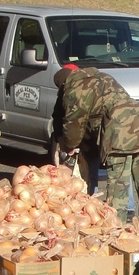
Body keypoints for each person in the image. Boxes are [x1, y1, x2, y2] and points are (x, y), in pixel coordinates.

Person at [61, 67, 139, 231]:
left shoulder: (77, 88)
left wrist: (70, 145)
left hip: (120, 129)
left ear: (63, 83)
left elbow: (74, 123)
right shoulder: (102, 78)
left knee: (118, 184)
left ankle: (115, 230)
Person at [52, 65, 101, 194]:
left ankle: (91, 196)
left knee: (92, 173)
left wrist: (85, 143)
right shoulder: (66, 94)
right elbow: (58, 118)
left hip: (90, 140)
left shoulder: (88, 89)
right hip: (74, 142)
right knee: (71, 176)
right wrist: (63, 140)